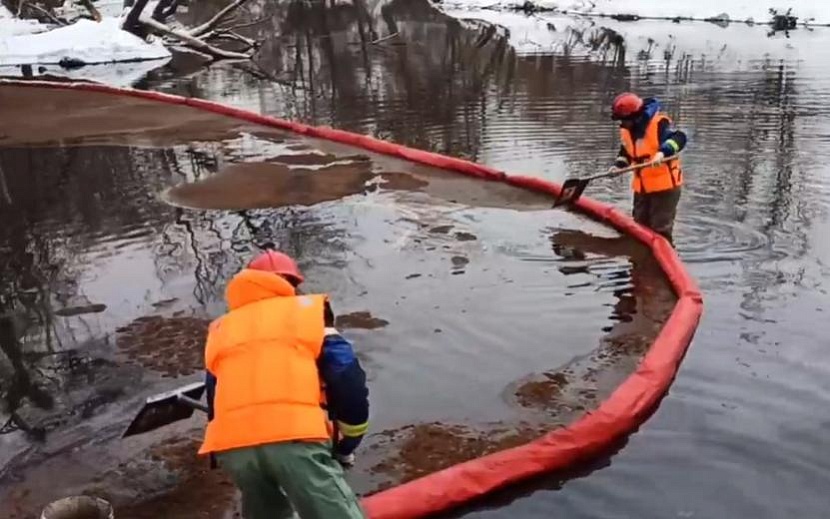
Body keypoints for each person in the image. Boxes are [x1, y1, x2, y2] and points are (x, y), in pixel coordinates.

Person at [200, 250, 369, 519]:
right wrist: (347, 444)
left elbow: (214, 395)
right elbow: (347, 378)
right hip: (295, 437)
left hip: (233, 446)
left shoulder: (222, 330)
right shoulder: (308, 315)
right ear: (293, 283)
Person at [610, 92, 688, 245]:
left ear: (635, 117)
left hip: (665, 188)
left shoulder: (659, 124)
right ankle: (639, 263)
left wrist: (662, 153)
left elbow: (680, 138)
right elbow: (626, 152)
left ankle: (660, 263)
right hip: (642, 188)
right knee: (639, 227)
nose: (622, 124)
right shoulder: (627, 131)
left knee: (660, 231)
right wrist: (618, 165)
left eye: (624, 120)